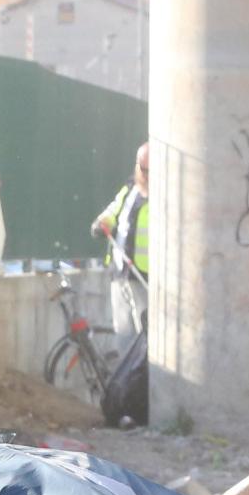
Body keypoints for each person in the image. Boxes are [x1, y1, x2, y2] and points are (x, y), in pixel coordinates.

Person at [90, 143, 151, 345]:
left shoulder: (162, 197)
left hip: (144, 277)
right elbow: (113, 211)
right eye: (142, 169)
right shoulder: (130, 190)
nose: (145, 175)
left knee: (145, 336)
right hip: (121, 273)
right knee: (123, 334)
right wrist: (102, 223)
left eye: (150, 171)